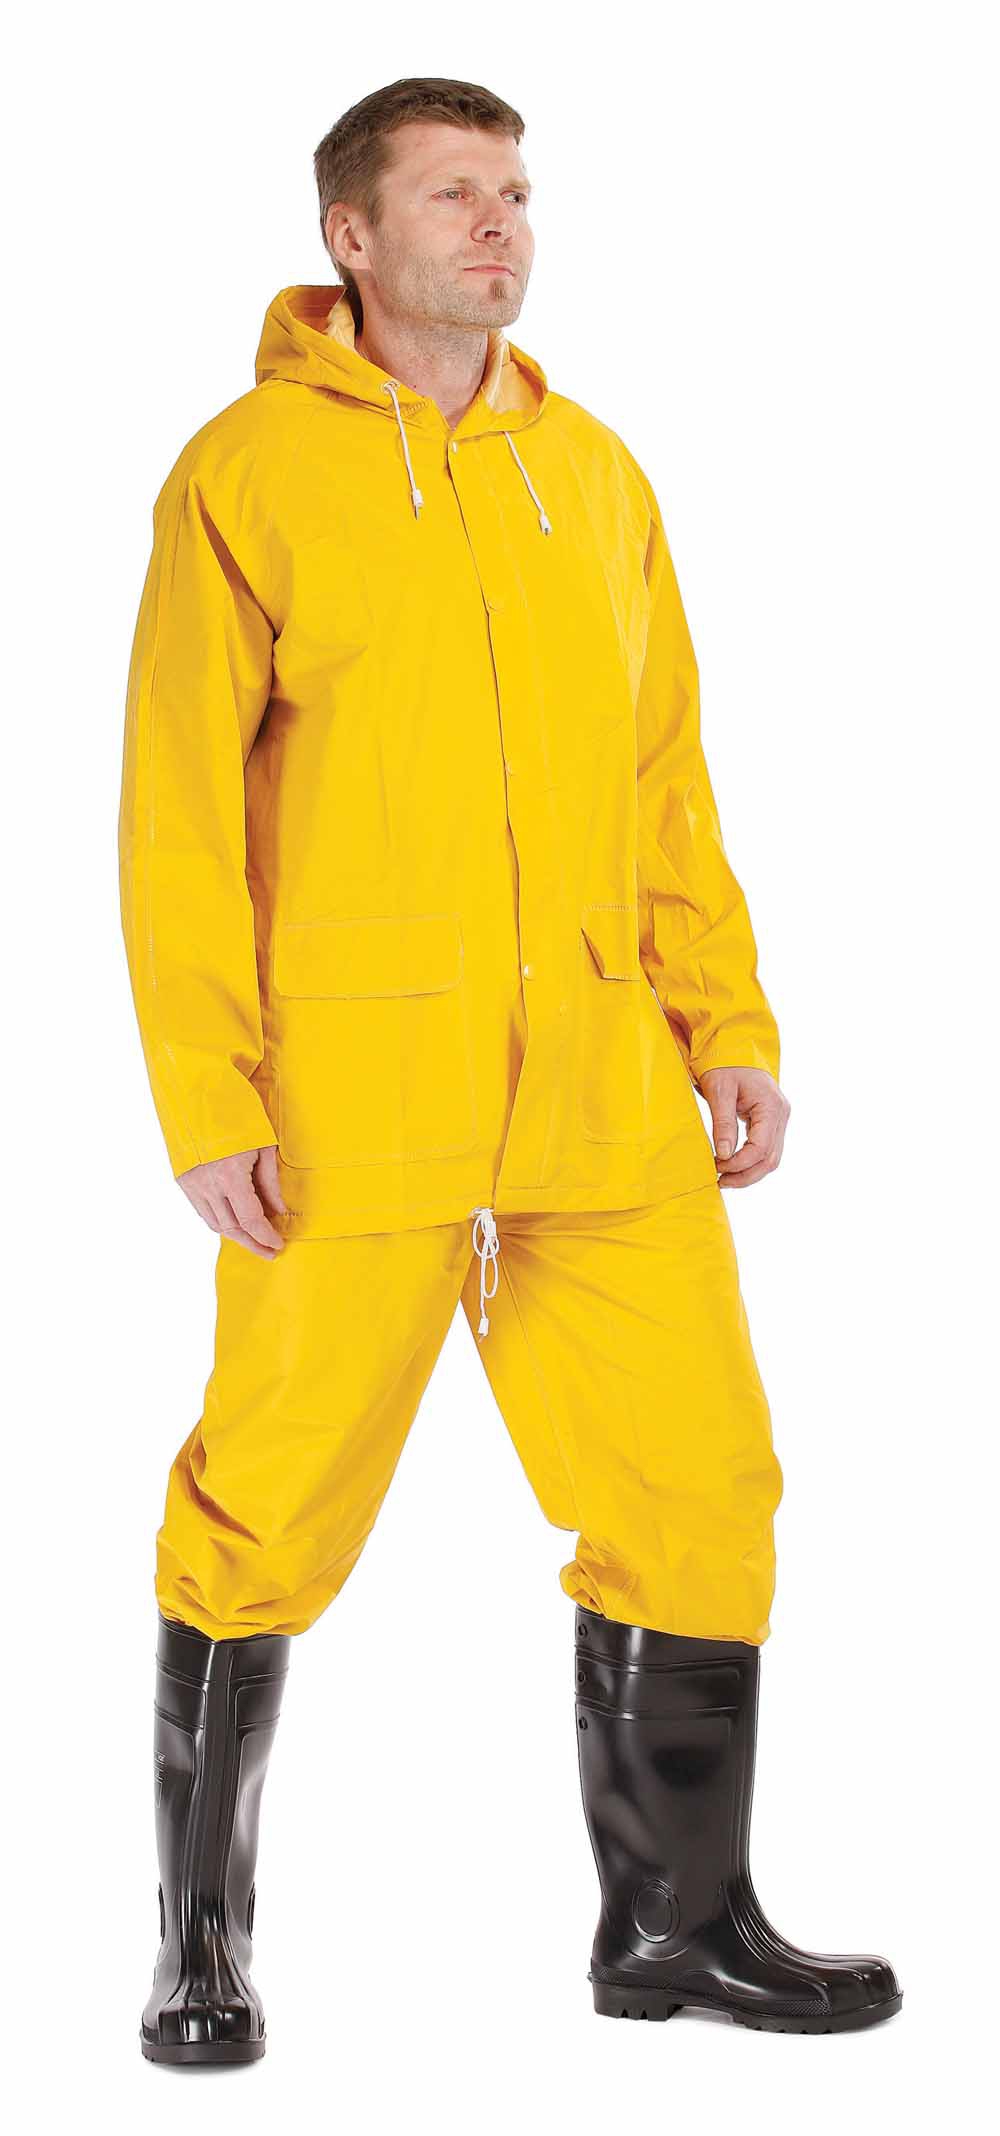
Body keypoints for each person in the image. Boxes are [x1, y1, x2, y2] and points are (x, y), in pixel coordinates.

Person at [119, 75, 901, 2066]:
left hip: (599, 1085)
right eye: (455, 193)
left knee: (698, 1483)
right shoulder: (243, 478)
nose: (501, 225)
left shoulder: (596, 475)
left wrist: (724, 1020)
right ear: (351, 236)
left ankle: (678, 1929)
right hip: (351, 1100)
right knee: (267, 1502)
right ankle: (198, 1944)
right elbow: (178, 818)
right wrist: (209, 1095)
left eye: (518, 192)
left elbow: (664, 780)